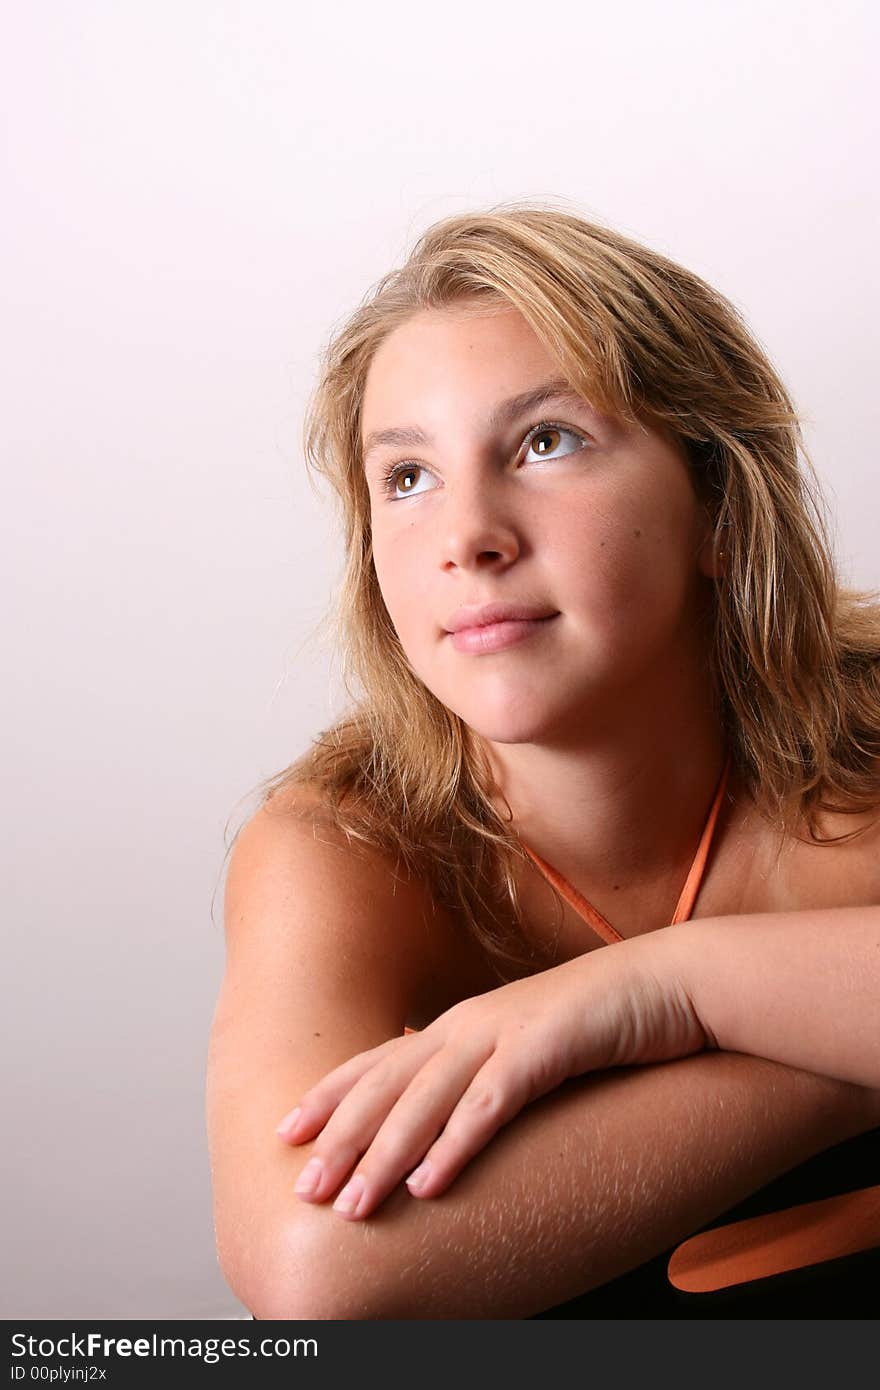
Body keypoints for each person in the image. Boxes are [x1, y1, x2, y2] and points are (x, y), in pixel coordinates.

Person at [205, 203, 880, 1320]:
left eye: (544, 441)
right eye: (406, 477)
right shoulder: (342, 847)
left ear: (717, 503)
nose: (467, 535)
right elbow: (312, 1269)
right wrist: (841, 1045)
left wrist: (669, 990)